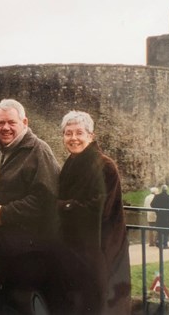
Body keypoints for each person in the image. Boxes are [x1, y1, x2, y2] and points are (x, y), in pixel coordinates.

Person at [0, 99, 60, 314]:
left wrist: (5, 214)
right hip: (3, 251)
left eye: (12, 123)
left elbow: (47, 199)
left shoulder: (39, 150)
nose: (6, 128)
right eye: (1, 122)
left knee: (26, 307)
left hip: (31, 254)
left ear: (24, 122)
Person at [56, 110, 131, 314]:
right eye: (68, 133)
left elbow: (97, 211)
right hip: (77, 254)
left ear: (91, 136)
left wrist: (60, 206)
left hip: (99, 254)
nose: (73, 138)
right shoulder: (72, 163)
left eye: (79, 133)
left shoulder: (104, 166)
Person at [151, 184, 169, 249]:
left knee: (159, 230)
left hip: (159, 216)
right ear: (167, 190)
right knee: (167, 231)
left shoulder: (157, 197)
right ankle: (165, 244)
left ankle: (159, 243)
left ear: (161, 190)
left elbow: (152, 204)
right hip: (167, 217)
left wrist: (157, 211)